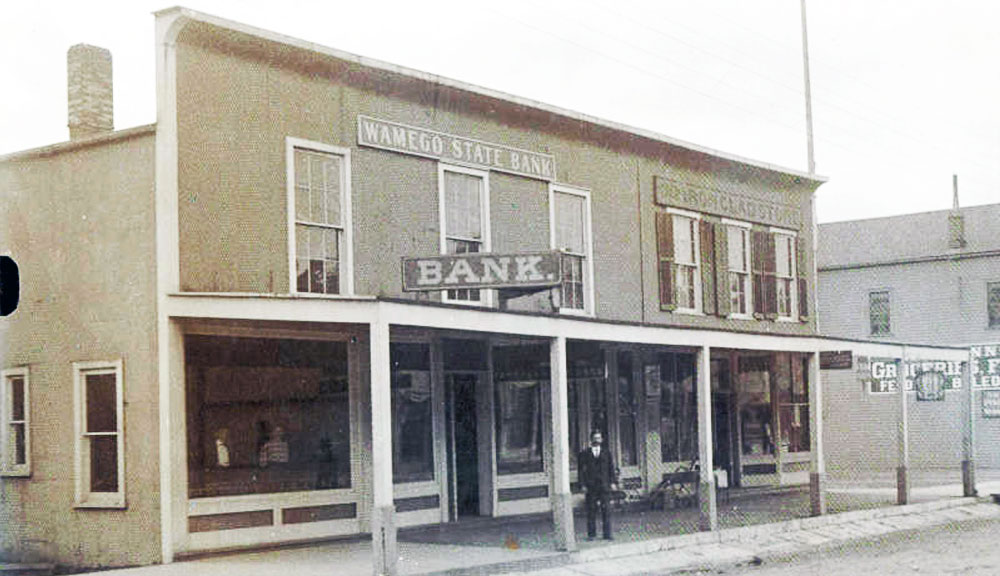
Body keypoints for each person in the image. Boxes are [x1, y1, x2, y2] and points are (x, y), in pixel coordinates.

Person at [578, 429, 618, 540]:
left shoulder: (607, 453)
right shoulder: (585, 454)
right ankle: (591, 534)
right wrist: (582, 485)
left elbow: (611, 468)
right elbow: (581, 471)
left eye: (599, 438)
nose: (597, 440)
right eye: (595, 438)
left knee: (606, 510)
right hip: (591, 486)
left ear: (602, 439)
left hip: (604, 486)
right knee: (591, 510)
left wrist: (613, 482)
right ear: (591, 440)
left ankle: (607, 534)